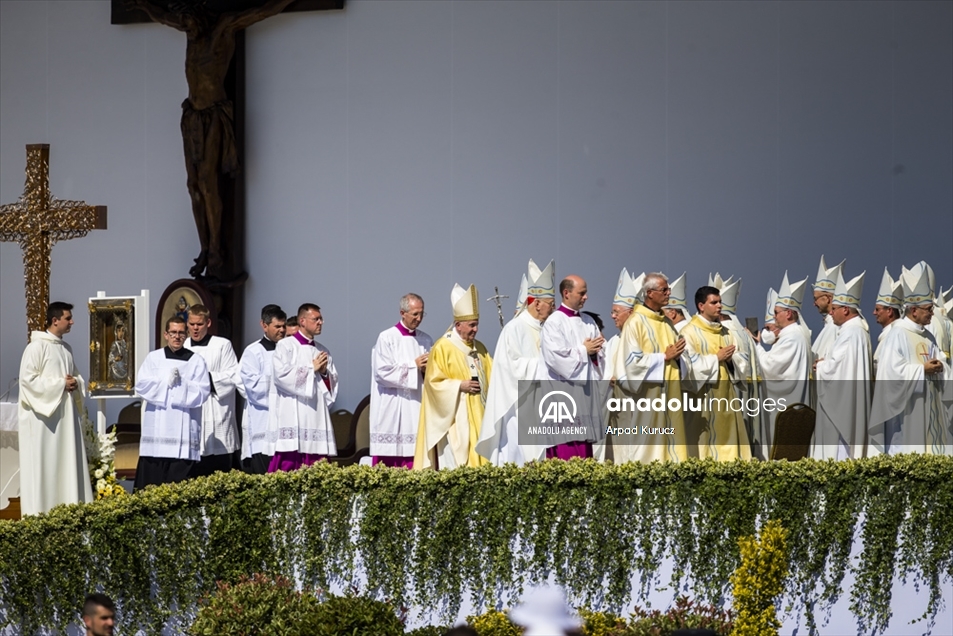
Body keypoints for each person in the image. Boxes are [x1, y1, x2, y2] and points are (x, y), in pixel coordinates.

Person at [130, 0, 299, 277]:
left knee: (208, 181)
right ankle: (205, 247)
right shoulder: (189, 31)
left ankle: (218, 247)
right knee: (193, 184)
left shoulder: (222, 29)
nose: (186, 27)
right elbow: (163, 16)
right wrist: (143, 4)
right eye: (183, 23)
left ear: (202, 17)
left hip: (214, 116)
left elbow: (257, 10)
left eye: (189, 22)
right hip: (192, 116)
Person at [17, 301, 93, 515]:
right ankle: (42, 513)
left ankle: (69, 509)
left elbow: (75, 377)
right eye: (68, 318)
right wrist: (61, 384)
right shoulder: (36, 347)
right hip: (45, 422)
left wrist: (75, 383)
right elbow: (27, 382)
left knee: (66, 464)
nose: (72, 322)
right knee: (46, 466)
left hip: (66, 419)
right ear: (55, 320)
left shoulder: (65, 349)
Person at [869, 262, 952, 455]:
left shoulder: (928, 336)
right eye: (928, 309)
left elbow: (943, 364)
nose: (932, 313)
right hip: (909, 413)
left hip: (931, 408)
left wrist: (941, 367)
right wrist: (921, 370)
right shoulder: (897, 333)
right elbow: (890, 374)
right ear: (914, 310)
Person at [477, 260, 555, 465]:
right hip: (519, 406)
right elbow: (510, 368)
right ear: (537, 303)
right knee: (520, 461)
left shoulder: (547, 328)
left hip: (543, 405)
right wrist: (547, 366)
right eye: (551, 303)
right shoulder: (514, 329)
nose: (553, 308)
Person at [414, 284, 493, 470]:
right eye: (472, 325)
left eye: (477, 324)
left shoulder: (480, 348)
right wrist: (459, 386)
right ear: (458, 325)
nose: (476, 330)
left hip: (479, 417)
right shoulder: (443, 347)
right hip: (455, 419)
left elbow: (494, 375)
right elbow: (433, 384)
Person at [613, 273, 689, 463]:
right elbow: (631, 364)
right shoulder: (635, 323)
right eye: (664, 290)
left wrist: (680, 359)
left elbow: (679, 355)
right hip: (647, 399)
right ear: (649, 293)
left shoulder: (667, 323)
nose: (668, 293)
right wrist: (664, 357)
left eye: (668, 289)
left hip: (670, 395)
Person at [134, 316, 211, 490]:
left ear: (186, 335)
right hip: (156, 433)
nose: (177, 336)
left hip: (183, 433)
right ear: (166, 335)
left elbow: (203, 392)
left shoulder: (196, 361)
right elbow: (141, 385)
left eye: (181, 333)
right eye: (173, 332)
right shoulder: (154, 358)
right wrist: (165, 381)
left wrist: (181, 384)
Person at [538, 274, 606, 460]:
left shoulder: (588, 321)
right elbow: (556, 358)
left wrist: (595, 353)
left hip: (585, 396)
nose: (586, 297)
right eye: (582, 293)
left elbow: (601, 351)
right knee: (566, 449)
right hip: (563, 396)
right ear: (566, 293)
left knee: (584, 449)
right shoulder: (554, 322)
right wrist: (584, 350)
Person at [681, 286, 751, 461]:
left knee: (727, 443)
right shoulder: (689, 332)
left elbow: (742, 360)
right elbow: (688, 367)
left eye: (720, 302)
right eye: (714, 302)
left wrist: (730, 361)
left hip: (726, 397)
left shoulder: (727, 332)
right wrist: (716, 358)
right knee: (703, 446)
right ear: (701, 306)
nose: (719, 306)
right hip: (701, 401)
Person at [268, 303, 338, 471]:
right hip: (293, 414)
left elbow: (332, 386)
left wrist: (323, 373)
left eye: (321, 319)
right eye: (316, 319)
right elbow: (281, 376)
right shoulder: (285, 346)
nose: (321, 322)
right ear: (303, 321)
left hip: (316, 415)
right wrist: (310, 369)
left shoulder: (323, 351)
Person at [370, 293, 434, 468]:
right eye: (415, 314)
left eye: (422, 313)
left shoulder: (426, 339)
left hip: (416, 404)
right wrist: (414, 366)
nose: (419, 318)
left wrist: (427, 370)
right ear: (402, 313)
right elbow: (381, 373)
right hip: (393, 404)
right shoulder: (387, 337)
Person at [813, 271, 872, 460]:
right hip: (851, 402)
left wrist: (821, 367)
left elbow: (837, 370)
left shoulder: (851, 333)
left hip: (842, 409)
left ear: (845, 310)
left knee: (838, 454)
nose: (831, 312)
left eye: (835, 308)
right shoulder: (857, 330)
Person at [756, 272, 813, 453]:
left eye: (776, 313)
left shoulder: (793, 336)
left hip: (786, 401)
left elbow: (771, 367)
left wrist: (756, 345)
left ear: (788, 313)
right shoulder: (795, 334)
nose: (774, 318)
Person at [185, 304, 242, 476]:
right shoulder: (183, 346)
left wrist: (205, 379)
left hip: (216, 411)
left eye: (199, 324)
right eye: (191, 324)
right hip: (192, 411)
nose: (195, 328)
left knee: (218, 471)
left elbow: (233, 376)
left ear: (208, 323)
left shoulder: (222, 345)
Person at [238, 304, 286, 474]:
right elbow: (252, 388)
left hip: (285, 423)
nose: (282, 330)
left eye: (283, 326)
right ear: (264, 326)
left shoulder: (289, 350)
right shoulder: (253, 352)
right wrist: (282, 380)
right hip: (262, 423)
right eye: (277, 326)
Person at [812, 256, 845, 362]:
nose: (814, 303)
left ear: (828, 299)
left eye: (816, 298)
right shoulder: (829, 325)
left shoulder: (836, 326)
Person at [872, 268, 902, 375]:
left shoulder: (894, 335)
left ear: (889, 311)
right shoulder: (889, 334)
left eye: (877, 309)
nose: (874, 313)